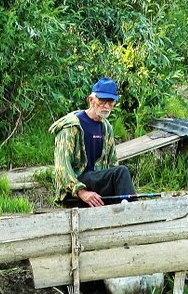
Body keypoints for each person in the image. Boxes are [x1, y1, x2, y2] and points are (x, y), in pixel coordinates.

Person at [48, 78, 137, 208]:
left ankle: (130, 214)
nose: (106, 106)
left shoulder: (106, 128)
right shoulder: (71, 127)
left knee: (119, 173)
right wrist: (82, 192)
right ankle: (136, 215)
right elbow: (62, 168)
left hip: (97, 186)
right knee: (121, 172)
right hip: (74, 190)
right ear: (91, 100)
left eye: (110, 102)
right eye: (102, 101)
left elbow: (112, 164)